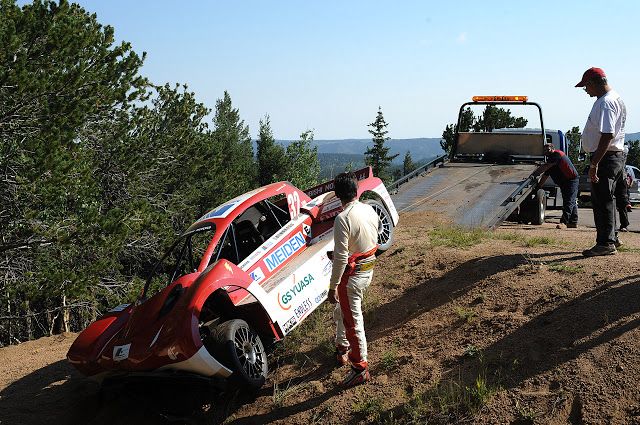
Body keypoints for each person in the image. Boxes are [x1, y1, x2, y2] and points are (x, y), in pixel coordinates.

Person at [327, 171, 379, 388]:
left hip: (353, 276)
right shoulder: (369, 209)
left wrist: (333, 287)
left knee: (353, 321)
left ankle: (359, 367)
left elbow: (339, 258)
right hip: (368, 269)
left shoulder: (342, 218)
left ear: (338, 195)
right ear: (356, 190)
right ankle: (342, 347)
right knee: (346, 313)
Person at [576, 67, 627, 256]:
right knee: (608, 198)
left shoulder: (606, 103)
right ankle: (612, 236)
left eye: (585, 87)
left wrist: (594, 163)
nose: (586, 91)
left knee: (602, 199)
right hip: (614, 155)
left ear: (593, 83)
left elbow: (607, 135)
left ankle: (605, 243)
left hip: (606, 157)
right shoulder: (613, 98)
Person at [537, 143, 579, 228]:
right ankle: (573, 222)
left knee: (569, 201)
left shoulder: (556, 155)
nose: (546, 152)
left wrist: (534, 174)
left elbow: (545, 167)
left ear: (553, 149)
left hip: (571, 180)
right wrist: (539, 186)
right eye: (544, 150)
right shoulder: (551, 160)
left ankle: (564, 222)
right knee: (570, 200)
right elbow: (546, 175)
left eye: (548, 150)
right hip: (564, 181)